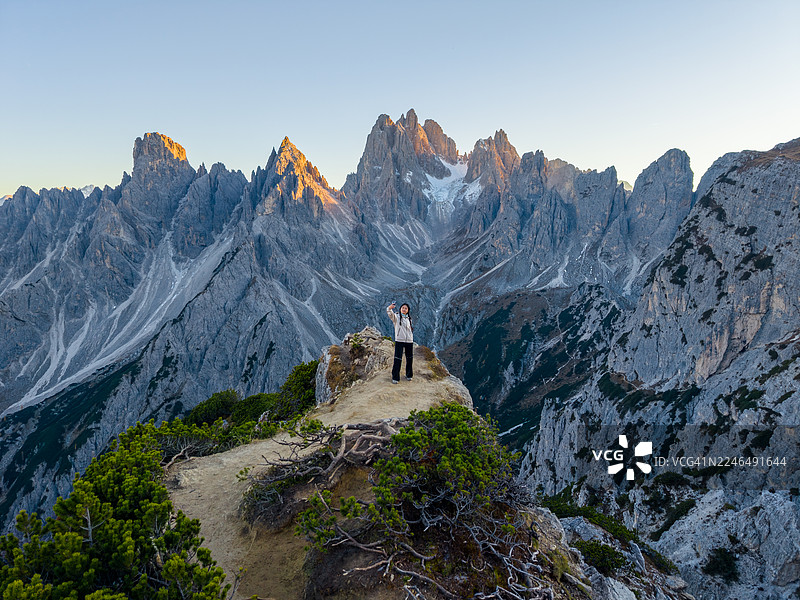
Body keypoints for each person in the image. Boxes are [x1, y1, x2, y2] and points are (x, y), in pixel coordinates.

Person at [386, 301, 413, 384]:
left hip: (409, 340)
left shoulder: (409, 319)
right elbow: (390, 314)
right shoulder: (396, 317)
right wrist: (389, 308)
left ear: (408, 310)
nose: (404, 309)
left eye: (406, 308)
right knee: (398, 359)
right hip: (399, 340)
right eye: (403, 308)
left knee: (409, 359)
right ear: (400, 309)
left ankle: (409, 375)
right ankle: (395, 377)